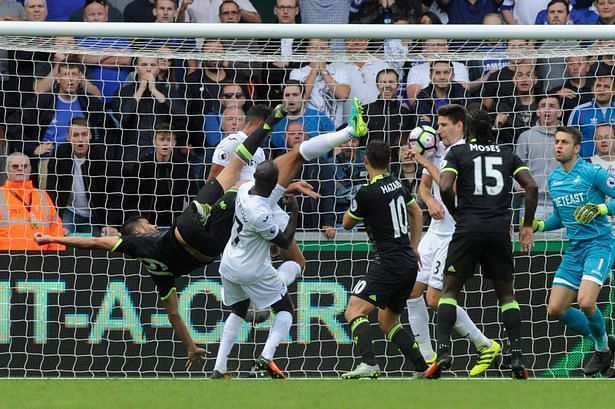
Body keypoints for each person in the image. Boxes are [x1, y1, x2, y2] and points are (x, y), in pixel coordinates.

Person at [207, 98, 368, 379]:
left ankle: (219, 367)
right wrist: (287, 208)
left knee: (297, 261)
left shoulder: (255, 157)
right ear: (259, 125)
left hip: (254, 208)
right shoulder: (233, 142)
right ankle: (348, 133)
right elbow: (214, 185)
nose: (268, 137)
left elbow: (258, 180)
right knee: (297, 155)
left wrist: (285, 186)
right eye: (267, 131)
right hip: (248, 209)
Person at [424, 109, 538, 380]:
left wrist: (458, 213)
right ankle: (517, 357)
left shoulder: (458, 153)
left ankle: (443, 353)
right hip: (499, 229)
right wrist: (526, 225)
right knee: (506, 295)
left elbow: (445, 185)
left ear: (469, 130)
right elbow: (531, 187)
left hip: (468, 228)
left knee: (449, 292)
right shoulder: (507, 154)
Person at [406, 104, 498, 376]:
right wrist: (430, 198)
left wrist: (424, 163)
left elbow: (455, 189)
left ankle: (485, 345)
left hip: (455, 234)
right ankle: (426, 358)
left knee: (435, 300)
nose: (438, 129)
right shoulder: (435, 150)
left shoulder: (466, 153)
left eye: (444, 125)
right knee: (411, 290)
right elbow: (424, 187)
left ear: (459, 126)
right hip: (434, 231)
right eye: (438, 124)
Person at [530, 126, 615, 376]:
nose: (558, 146)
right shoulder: (555, 179)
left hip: (599, 244)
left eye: (564, 142)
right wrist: (540, 226)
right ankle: (607, 341)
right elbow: (560, 216)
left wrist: (601, 209)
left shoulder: (592, 172)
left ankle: (601, 349)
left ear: (577, 148)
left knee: (586, 301)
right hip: (575, 249)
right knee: (556, 309)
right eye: (556, 141)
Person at [340, 139, 428, 379]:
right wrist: (415, 246)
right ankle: (422, 368)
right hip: (408, 262)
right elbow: (417, 212)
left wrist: (359, 203)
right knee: (388, 322)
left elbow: (347, 223)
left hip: (388, 262)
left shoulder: (367, 192)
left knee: (354, 310)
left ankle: (369, 363)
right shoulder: (398, 184)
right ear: (389, 161)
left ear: (365, 161)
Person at [214, 161, 299, 380]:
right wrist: (295, 212)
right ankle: (266, 356)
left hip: (229, 262)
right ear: (272, 185)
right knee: (286, 309)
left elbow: (263, 189)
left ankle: (219, 368)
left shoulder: (244, 190)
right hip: (251, 270)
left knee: (239, 310)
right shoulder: (260, 213)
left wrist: (288, 188)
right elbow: (286, 242)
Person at [1, 153, 65, 251]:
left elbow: (56, 229)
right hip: (6, 260)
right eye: (15, 166)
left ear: (30, 169)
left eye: (24, 166)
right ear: (7, 169)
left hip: (41, 260)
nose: (20, 169)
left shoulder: (43, 195)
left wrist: (54, 257)